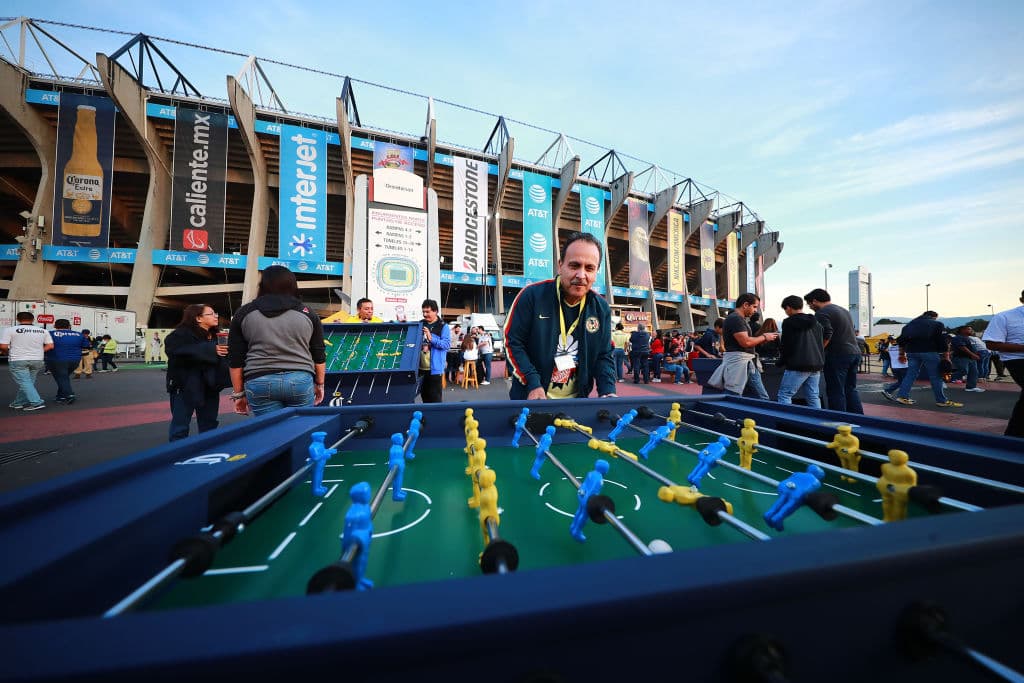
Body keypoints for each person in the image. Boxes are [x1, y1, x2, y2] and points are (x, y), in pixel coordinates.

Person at [504, 232, 617, 400]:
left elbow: (604, 355)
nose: (581, 275)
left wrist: (607, 389)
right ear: (560, 265)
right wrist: (532, 383)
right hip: (532, 399)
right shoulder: (532, 296)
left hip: (576, 403)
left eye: (589, 268)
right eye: (574, 266)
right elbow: (513, 342)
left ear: (596, 272)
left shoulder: (601, 308)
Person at [227, 265, 327, 416]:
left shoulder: (244, 313)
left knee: (270, 429)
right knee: (300, 427)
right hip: (299, 379)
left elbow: (235, 358)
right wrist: (320, 384)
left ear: (262, 285)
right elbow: (318, 353)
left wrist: (239, 394)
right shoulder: (307, 313)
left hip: (259, 379)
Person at [165, 304, 230, 441]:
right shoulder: (180, 334)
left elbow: (225, 359)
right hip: (185, 386)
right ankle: (178, 453)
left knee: (209, 425)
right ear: (198, 318)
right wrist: (211, 349)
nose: (215, 316)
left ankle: (207, 451)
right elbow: (175, 351)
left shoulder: (216, 335)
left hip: (210, 387)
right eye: (211, 314)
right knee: (180, 427)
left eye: (215, 313)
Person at [707, 293, 778, 400]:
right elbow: (746, 342)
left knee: (742, 395)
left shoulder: (736, 319)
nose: (755, 310)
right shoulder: (736, 319)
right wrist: (764, 337)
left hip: (744, 362)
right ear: (745, 305)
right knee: (738, 395)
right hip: (740, 363)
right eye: (754, 306)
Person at [804, 289, 861, 413]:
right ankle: (858, 418)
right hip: (855, 352)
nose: (810, 307)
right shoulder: (844, 311)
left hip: (837, 354)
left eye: (809, 304)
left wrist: (818, 351)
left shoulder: (821, 313)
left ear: (814, 301)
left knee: (835, 390)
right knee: (850, 389)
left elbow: (827, 333)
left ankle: (838, 420)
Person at [891, 311, 962, 408]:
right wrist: (946, 356)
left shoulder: (909, 325)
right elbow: (941, 341)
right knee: (935, 376)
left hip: (911, 352)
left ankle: (902, 396)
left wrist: (901, 354)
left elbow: (901, 340)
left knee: (910, 375)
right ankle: (941, 400)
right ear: (934, 317)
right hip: (929, 351)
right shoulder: (937, 324)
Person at [983, 290, 1024, 437]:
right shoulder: (1004, 317)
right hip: (1017, 359)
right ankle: (1015, 435)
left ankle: (1014, 433)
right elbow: (991, 344)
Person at [776, 295, 826, 408]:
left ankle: (785, 418)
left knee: (784, 394)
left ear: (788, 307)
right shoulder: (816, 322)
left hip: (797, 364)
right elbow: (821, 340)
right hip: (816, 364)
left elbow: (786, 345)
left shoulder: (788, 322)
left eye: (785, 309)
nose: (786, 312)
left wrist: (781, 361)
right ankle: (817, 418)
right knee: (813, 396)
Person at [0, 311, 53, 411]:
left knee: (25, 382)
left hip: (18, 359)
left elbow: (3, 346)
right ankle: (18, 403)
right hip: (37, 360)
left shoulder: (10, 330)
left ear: (17, 319)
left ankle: (37, 402)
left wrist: (8, 353)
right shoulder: (43, 331)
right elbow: (50, 346)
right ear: (33, 319)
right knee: (28, 382)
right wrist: (38, 351)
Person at [45, 319, 88, 405]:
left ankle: (69, 394)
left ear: (55, 326)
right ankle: (60, 396)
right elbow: (86, 345)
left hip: (56, 359)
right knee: (63, 377)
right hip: (75, 360)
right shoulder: (79, 334)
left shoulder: (50, 334)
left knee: (61, 377)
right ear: (69, 326)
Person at [417, 298, 451, 403]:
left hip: (435, 370)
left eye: (427, 312)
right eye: (423, 312)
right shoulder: (420, 323)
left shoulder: (443, 326)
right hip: (421, 369)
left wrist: (431, 338)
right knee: (424, 398)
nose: (425, 314)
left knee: (435, 399)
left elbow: (446, 345)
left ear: (435, 311)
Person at [570, 459, 609, 542]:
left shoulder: (591, 473)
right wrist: (590, 501)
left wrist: (581, 493)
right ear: (604, 470)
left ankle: (573, 526)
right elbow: (592, 491)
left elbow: (584, 484)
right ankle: (577, 532)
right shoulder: (599, 480)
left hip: (582, 494)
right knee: (584, 516)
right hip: (588, 499)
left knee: (579, 511)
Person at [950, 326, 984, 393]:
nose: (971, 330)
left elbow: (972, 347)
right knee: (964, 371)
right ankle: (946, 379)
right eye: (969, 329)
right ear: (962, 330)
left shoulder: (969, 338)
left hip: (971, 358)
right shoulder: (958, 337)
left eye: (971, 329)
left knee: (974, 372)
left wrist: (976, 354)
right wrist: (973, 354)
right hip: (961, 357)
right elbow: (962, 347)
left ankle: (971, 387)